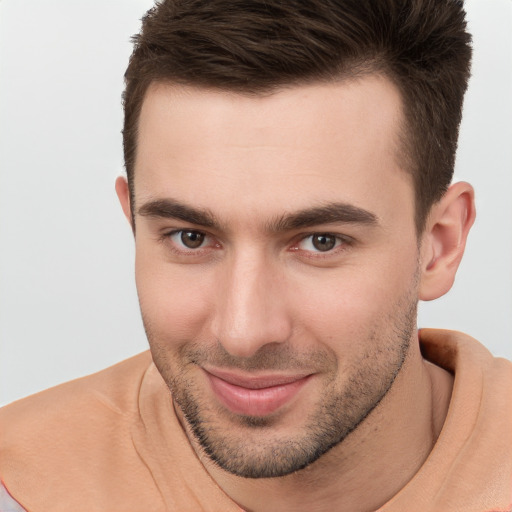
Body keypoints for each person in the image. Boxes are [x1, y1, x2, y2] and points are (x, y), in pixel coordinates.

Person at [1, 0, 511, 510]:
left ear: (439, 245)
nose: (243, 334)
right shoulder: (16, 485)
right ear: (134, 223)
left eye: (320, 242)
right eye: (191, 237)